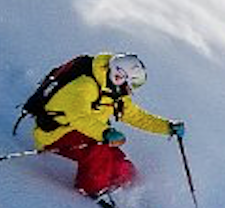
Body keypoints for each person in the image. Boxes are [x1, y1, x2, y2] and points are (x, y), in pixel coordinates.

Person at [29, 53, 185, 198]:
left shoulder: (115, 91)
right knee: (98, 150)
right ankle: (92, 188)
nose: (131, 88)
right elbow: (79, 117)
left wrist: (167, 127)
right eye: (131, 83)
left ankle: (133, 186)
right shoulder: (85, 85)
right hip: (55, 134)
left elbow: (135, 116)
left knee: (117, 160)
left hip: (87, 132)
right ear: (119, 76)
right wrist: (105, 133)